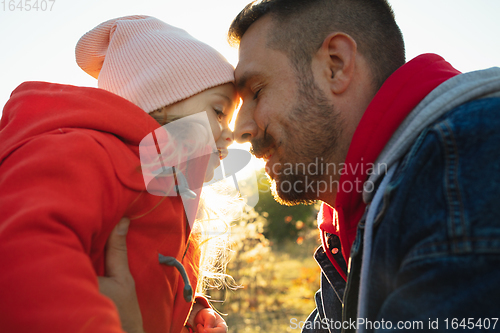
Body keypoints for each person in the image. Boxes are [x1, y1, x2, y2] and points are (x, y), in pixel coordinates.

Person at [228, 0, 500, 332]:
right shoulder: (353, 216)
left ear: (336, 65)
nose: (239, 129)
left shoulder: (465, 161)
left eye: (257, 90)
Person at [0, 15, 236, 333]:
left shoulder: (166, 189)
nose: (231, 133)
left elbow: (146, 275)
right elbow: (24, 258)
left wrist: (188, 311)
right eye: (219, 111)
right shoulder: (85, 153)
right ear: (162, 102)